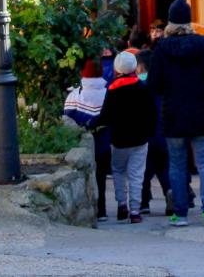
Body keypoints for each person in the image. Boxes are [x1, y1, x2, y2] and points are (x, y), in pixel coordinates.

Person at [148, 0, 204, 227]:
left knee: (177, 164)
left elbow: (154, 85)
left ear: (171, 21)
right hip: (203, 113)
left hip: (173, 114)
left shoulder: (161, 49)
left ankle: (180, 213)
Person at [95, 51, 156, 224]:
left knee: (118, 171)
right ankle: (135, 210)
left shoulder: (113, 88)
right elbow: (152, 114)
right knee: (137, 175)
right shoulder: (143, 87)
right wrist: (149, 132)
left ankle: (122, 203)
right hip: (140, 138)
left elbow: (106, 115)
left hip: (118, 139)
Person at [63, 59, 110, 221]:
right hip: (104, 142)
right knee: (101, 176)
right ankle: (102, 210)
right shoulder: (108, 93)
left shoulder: (75, 95)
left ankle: (90, 209)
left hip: (80, 145)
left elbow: (67, 120)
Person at [136, 50, 173, 216]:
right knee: (164, 168)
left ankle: (144, 203)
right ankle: (169, 192)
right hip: (164, 134)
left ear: (141, 66)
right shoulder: (164, 85)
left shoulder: (138, 85)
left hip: (144, 135)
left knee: (143, 170)